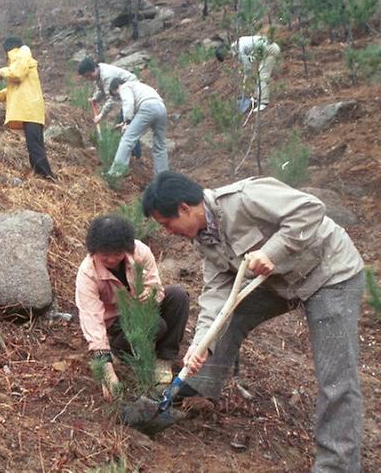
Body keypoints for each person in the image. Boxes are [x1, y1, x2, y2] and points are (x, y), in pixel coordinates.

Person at [141, 172, 365, 471]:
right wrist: (199, 345)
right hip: (277, 283)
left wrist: (272, 250)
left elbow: (311, 209)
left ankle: (337, 465)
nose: (167, 232)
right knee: (228, 318)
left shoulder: (245, 198)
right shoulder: (202, 237)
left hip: (329, 274)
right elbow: (218, 293)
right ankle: (197, 390)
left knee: (336, 377)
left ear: (184, 208)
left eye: (166, 224)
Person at [75, 214, 189, 398]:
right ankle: (119, 352)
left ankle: (164, 358)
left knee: (178, 295)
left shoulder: (140, 252)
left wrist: (151, 296)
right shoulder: (88, 273)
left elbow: (155, 286)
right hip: (117, 324)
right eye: (105, 255)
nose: (112, 260)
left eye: (118, 254)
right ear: (93, 251)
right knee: (156, 324)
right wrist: (106, 369)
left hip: (142, 308)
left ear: (127, 248)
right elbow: (91, 318)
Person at [0, 36, 54, 180]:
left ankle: (47, 176)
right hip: (29, 109)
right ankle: (39, 174)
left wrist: (3, 71)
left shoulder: (22, 55)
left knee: (35, 146)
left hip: (30, 109)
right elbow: (13, 90)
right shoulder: (19, 63)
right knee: (33, 145)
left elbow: (17, 75)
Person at [77, 57, 141, 159]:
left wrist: (101, 115)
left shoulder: (107, 75)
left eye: (89, 76)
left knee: (128, 123)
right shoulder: (99, 74)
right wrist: (95, 98)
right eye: (86, 77)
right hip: (124, 95)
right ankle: (132, 153)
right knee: (124, 121)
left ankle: (135, 156)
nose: (89, 79)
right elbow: (101, 90)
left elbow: (112, 99)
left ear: (93, 69)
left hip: (133, 93)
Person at [105, 78, 169, 178]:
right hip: (161, 108)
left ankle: (114, 174)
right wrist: (126, 123)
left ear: (117, 87)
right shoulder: (140, 86)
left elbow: (129, 102)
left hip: (148, 107)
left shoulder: (124, 86)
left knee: (127, 139)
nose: (119, 98)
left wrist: (127, 121)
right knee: (160, 146)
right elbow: (139, 111)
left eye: (117, 95)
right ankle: (163, 178)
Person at [215, 35, 281, 112]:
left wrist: (246, 80)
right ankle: (257, 96)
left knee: (262, 76)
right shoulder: (237, 44)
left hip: (270, 50)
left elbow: (248, 68)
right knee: (259, 72)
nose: (228, 59)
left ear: (226, 52)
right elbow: (250, 63)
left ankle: (263, 102)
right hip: (264, 50)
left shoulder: (240, 49)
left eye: (226, 57)